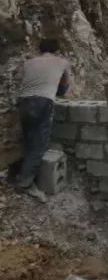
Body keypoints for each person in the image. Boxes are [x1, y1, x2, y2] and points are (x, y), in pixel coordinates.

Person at [12, 39, 72, 202]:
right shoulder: (62, 62)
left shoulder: (29, 62)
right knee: (39, 145)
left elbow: (20, 80)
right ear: (57, 50)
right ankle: (25, 183)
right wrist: (56, 89)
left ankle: (23, 173)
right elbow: (64, 87)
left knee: (29, 139)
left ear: (40, 50)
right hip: (43, 102)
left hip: (24, 102)